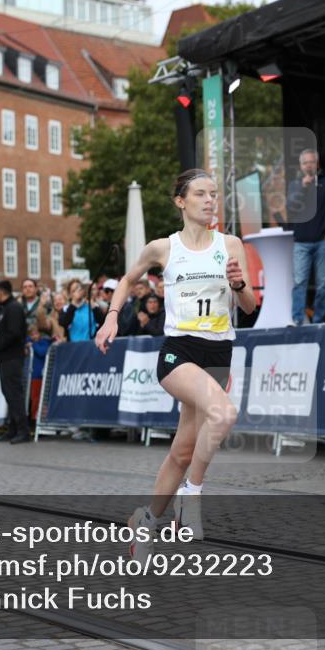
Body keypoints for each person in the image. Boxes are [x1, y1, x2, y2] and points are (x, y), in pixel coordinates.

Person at [95, 168, 256, 560]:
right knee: (224, 413)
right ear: (181, 201)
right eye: (200, 194)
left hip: (219, 351)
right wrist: (112, 316)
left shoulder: (231, 245)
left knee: (182, 452)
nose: (209, 200)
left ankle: (146, 520)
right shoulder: (163, 248)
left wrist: (237, 285)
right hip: (180, 351)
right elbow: (128, 278)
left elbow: (250, 309)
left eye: (213, 194)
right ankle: (192, 496)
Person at [285, 148, 325, 325]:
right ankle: (298, 320)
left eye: (311, 162)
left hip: (322, 242)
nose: (308, 165)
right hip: (301, 242)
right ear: (301, 166)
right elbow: (290, 209)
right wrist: (304, 187)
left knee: (323, 285)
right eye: (305, 163)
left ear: (316, 164)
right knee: (299, 282)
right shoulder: (294, 185)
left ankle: (318, 320)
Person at [0, 280, 31, 445]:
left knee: (14, 394)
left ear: (2, 292)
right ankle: (13, 428)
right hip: (6, 357)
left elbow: (14, 333)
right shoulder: (7, 308)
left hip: (12, 357)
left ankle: (23, 430)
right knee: (9, 394)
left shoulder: (13, 308)